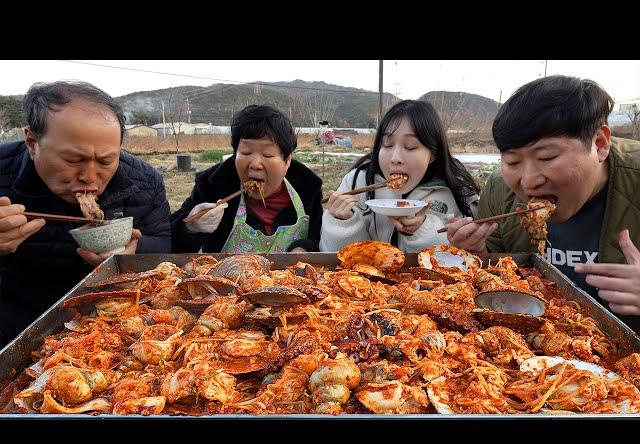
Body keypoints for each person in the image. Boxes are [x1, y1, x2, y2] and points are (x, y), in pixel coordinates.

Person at [445, 75, 640, 331]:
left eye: (547, 157)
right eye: (513, 162)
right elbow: (492, 274)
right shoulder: (500, 189)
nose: (529, 181)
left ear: (599, 144)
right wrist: (474, 252)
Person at [0, 81, 172, 347]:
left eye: (105, 161)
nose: (90, 177)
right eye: (72, 160)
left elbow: (163, 244)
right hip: (13, 328)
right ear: (32, 142)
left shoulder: (145, 181)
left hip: (113, 329)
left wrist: (136, 252)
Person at [320, 100, 479, 252]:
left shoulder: (456, 192)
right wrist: (342, 223)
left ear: (433, 154)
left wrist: (422, 231)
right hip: (360, 279)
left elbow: (460, 261)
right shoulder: (358, 181)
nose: (395, 157)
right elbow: (334, 259)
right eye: (387, 145)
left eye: (410, 147)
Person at [171, 104, 323, 254]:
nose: (255, 164)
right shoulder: (213, 185)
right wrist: (191, 228)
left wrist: (304, 248)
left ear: (287, 160)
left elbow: (320, 240)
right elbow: (169, 243)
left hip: (290, 278)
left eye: (268, 155)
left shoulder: (307, 188)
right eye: (246, 152)